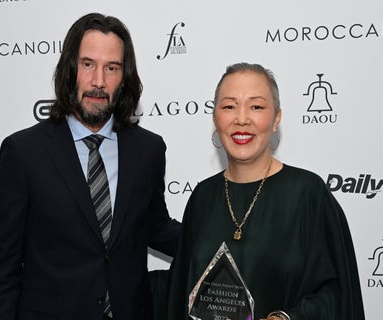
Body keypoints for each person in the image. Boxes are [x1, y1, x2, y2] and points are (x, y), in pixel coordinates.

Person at [0, 13, 181, 320]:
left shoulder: (148, 150)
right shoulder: (23, 154)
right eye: (88, 64)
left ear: (124, 77)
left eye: (111, 68)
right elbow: (2, 266)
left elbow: (154, 225)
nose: (98, 81)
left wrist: (222, 240)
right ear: (69, 69)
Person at [155, 63, 365, 320]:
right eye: (229, 106)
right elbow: (180, 291)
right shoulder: (203, 197)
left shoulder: (307, 194)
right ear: (215, 117)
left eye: (256, 107)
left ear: (276, 118)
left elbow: (337, 296)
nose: (241, 119)